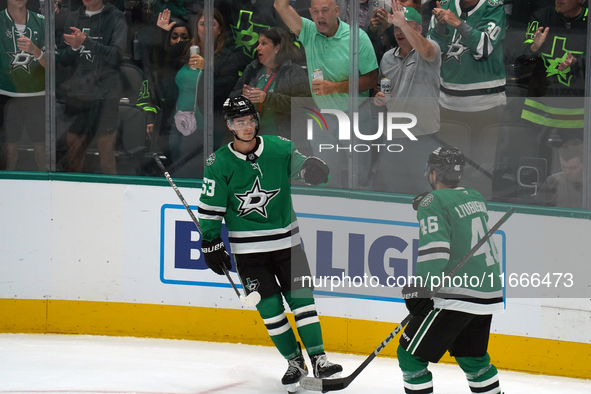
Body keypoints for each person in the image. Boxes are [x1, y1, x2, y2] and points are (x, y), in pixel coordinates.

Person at [197, 96, 342, 392]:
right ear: (229, 126)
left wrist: (317, 170)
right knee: (271, 309)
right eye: (240, 122)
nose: (247, 127)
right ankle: (294, 362)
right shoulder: (218, 163)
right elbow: (211, 209)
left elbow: (310, 169)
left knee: (302, 301)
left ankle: (320, 359)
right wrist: (210, 243)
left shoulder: (279, 147)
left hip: (288, 244)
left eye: (250, 120)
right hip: (249, 253)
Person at [398, 146, 504, 394]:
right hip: (487, 291)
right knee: (473, 359)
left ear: (433, 173)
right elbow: (456, 208)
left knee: (410, 356)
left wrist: (422, 288)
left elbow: (435, 251)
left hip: (456, 294)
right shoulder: (476, 196)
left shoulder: (432, 203)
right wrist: (429, 201)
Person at [274, 0, 379, 189]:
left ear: (337, 11)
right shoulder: (308, 31)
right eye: (315, 12)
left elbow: (372, 79)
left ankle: (363, 214)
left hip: (355, 115)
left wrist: (334, 88)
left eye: (324, 11)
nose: (319, 16)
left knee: (361, 176)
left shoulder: (357, 37)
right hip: (322, 117)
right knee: (323, 175)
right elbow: (280, 6)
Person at [428, 0, 507, 198]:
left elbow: (485, 46)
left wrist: (457, 23)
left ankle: (481, 214)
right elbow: (433, 49)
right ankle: (450, 211)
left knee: (483, 171)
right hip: (448, 104)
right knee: (449, 171)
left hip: (486, 105)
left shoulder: (493, 7)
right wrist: (440, 25)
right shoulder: (445, 4)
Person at [153, 8, 240, 177]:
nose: (206, 28)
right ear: (196, 27)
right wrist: (161, 33)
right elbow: (157, 60)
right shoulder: (185, 49)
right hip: (175, 124)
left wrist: (207, 67)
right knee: (174, 169)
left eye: (212, 24)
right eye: (202, 24)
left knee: (192, 172)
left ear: (220, 29)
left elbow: (227, 86)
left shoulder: (227, 56)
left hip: (204, 127)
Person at [372, 3, 441, 195]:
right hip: (393, 138)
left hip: (423, 139)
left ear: (419, 29)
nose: (399, 31)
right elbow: (385, 90)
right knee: (395, 193)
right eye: (396, 27)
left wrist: (402, 24)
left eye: (406, 26)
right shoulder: (387, 58)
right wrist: (379, 97)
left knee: (427, 193)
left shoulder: (431, 50)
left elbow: (426, 51)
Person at [57, 0, 127, 174]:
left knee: (107, 158)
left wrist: (86, 42)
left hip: (106, 96)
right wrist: (74, 48)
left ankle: (112, 199)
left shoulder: (116, 17)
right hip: (77, 96)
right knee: (73, 157)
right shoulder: (72, 17)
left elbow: (116, 56)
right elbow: (63, 59)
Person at [520, 0, 587, 148]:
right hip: (539, 110)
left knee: (573, 163)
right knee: (534, 163)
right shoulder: (541, 17)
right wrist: (534, 47)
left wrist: (577, 63)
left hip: (577, 113)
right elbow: (522, 61)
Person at [229, 26, 311, 139]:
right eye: (258, 43)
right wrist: (242, 95)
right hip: (252, 139)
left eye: (264, 43)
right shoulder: (253, 68)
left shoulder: (293, 72)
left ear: (277, 48)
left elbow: (304, 105)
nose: (258, 48)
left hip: (282, 140)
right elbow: (231, 97)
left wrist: (267, 98)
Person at [0, 0, 46, 171]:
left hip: (37, 94)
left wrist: (36, 51)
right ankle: (5, 193)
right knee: (9, 153)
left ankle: (46, 192)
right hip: (6, 95)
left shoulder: (42, 21)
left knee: (42, 152)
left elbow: (52, 65)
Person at [536, 138, 583, 209]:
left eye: (573, 168)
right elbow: (536, 210)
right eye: (563, 166)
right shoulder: (553, 181)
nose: (567, 172)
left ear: (586, 163)